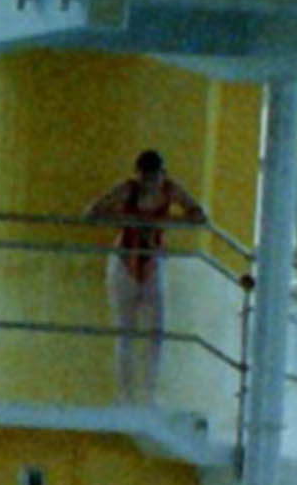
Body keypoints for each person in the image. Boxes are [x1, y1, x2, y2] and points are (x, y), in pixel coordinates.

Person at [86, 149, 210, 403]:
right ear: (138, 175)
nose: (151, 183)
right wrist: (127, 218)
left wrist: (168, 218)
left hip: (153, 261)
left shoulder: (170, 189)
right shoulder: (127, 189)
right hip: (125, 260)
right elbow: (92, 212)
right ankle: (125, 395)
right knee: (126, 333)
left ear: (162, 175)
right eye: (146, 177)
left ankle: (150, 393)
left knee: (157, 333)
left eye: (155, 177)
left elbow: (199, 216)